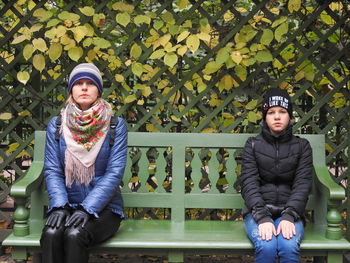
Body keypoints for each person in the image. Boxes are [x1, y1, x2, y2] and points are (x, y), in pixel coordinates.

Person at [40, 63, 128, 263]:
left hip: (105, 209)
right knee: (52, 234)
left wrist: (87, 208)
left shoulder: (115, 125)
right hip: (67, 204)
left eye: (90, 83)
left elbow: (114, 173)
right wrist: (60, 206)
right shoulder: (57, 125)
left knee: (74, 234)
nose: (85, 88)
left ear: (99, 90)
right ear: (72, 89)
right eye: (79, 83)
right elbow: (53, 170)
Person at [239, 88, 313, 263]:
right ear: (265, 117)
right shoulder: (253, 145)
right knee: (267, 245)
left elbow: (302, 184)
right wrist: (262, 217)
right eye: (271, 112)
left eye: (283, 112)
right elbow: (249, 183)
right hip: (258, 212)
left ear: (290, 116)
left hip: (291, 213)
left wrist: (289, 216)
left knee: (288, 246)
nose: (277, 117)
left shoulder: (302, 147)